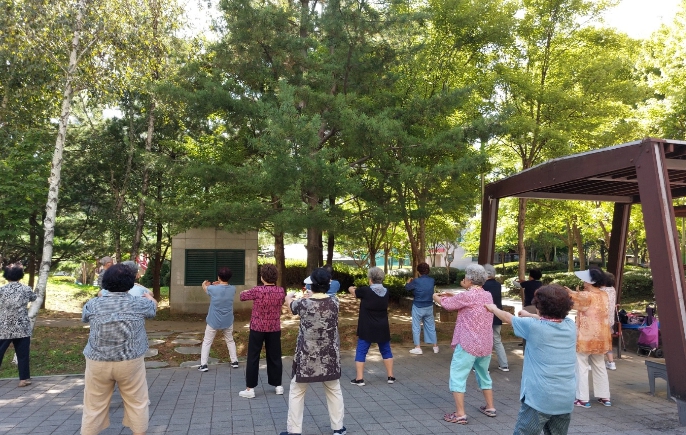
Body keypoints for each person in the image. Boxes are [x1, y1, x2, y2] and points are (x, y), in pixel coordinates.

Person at [485, 284, 577, 435]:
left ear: (539, 307)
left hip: (540, 397)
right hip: (565, 397)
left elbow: (508, 317)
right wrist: (529, 315)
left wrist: (493, 308)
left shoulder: (533, 327)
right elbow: (549, 321)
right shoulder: (570, 325)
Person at [81, 263, 158, 435]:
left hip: (97, 360)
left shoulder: (93, 304)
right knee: (137, 402)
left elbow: (84, 317)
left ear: (105, 282)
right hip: (130, 360)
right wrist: (151, 298)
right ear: (131, 282)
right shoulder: (140, 303)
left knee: (93, 405)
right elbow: (153, 310)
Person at [280, 268, 346, 435]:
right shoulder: (335, 303)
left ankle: (294, 430)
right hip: (329, 356)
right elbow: (324, 299)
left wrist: (289, 296)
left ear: (312, 285)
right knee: (334, 390)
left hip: (306, 357)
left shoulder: (303, 303)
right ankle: (338, 428)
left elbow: (291, 305)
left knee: (297, 391)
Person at [433, 264, 495, 425]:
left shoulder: (467, 296)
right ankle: (490, 407)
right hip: (485, 343)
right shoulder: (487, 295)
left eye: (466, 276)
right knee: (483, 374)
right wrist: (454, 295)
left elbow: (447, 304)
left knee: (458, 376)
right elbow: (467, 300)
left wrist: (436, 296)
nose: (464, 279)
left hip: (468, 343)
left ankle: (460, 414)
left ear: (470, 279)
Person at [565, 268, 612, 408]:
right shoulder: (604, 294)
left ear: (590, 282)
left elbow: (574, 302)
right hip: (602, 336)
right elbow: (581, 299)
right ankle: (605, 396)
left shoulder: (586, 295)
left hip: (586, 337)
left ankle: (582, 398)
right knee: (600, 365)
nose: (583, 282)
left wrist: (569, 293)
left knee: (581, 366)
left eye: (585, 280)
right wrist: (574, 293)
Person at [238, 263, 285, 398]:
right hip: (274, 328)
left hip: (257, 328)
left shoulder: (257, 290)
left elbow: (242, 296)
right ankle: (278, 386)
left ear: (262, 277)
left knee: (253, 357)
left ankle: (250, 389)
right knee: (275, 356)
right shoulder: (281, 291)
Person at [348, 266, 395, 386]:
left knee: (361, 351)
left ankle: (359, 378)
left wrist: (350, 288)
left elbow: (354, 292)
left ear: (370, 279)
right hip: (382, 326)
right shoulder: (387, 291)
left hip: (367, 326)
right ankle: (390, 376)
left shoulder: (365, 291)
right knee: (386, 350)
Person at [0, 263, 37, 387]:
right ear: (21, 275)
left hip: (4, 326)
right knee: (23, 354)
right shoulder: (26, 289)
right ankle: (23, 379)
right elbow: (34, 298)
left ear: (6, 275)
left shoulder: (2, 290)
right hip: (22, 326)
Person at [198, 266, 238, 372]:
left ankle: (203, 365)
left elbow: (205, 288)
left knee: (207, 341)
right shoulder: (233, 289)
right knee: (230, 340)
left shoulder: (212, 289)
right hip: (228, 320)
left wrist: (204, 284)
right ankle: (234, 361)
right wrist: (219, 283)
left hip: (213, 320)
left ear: (219, 277)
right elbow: (224, 289)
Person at [405, 262, 438, 354]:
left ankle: (418, 347)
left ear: (418, 271)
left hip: (418, 306)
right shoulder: (432, 280)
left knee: (416, 327)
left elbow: (407, 288)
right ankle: (435, 347)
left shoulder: (416, 281)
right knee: (431, 326)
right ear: (428, 271)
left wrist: (408, 282)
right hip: (429, 306)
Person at [483, 264, 508, 371]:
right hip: (497, 315)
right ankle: (504, 365)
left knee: (484, 340)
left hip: (485, 316)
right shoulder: (498, 285)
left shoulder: (483, 285)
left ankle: (484, 367)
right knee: (497, 340)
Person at [514, 269, 542, 347]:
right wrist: (525, 281)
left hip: (528, 307)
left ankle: (525, 342)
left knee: (526, 326)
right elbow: (530, 283)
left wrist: (515, 280)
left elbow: (517, 284)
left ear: (531, 276)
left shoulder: (528, 283)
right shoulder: (540, 283)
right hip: (538, 307)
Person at [601, 272, 617, 370]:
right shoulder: (613, 290)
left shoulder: (601, 291)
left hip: (600, 320)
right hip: (609, 320)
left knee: (595, 341)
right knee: (608, 341)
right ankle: (611, 362)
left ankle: (593, 361)